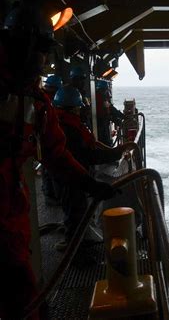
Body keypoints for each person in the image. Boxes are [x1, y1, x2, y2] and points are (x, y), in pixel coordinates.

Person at [0, 0, 114, 319]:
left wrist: (90, 183)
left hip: (13, 213)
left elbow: (57, 154)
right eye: (39, 51)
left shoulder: (37, 103)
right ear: (19, 46)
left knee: (25, 294)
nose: (43, 60)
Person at [52, 85, 135, 250]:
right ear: (74, 107)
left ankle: (80, 240)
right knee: (74, 211)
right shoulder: (68, 130)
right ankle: (76, 252)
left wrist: (112, 152)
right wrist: (114, 154)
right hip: (71, 177)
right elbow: (87, 155)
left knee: (77, 209)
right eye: (79, 107)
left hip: (72, 174)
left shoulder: (64, 124)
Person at [41, 75, 63, 202]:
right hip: (46, 139)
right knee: (49, 168)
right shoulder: (45, 100)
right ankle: (50, 195)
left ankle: (51, 193)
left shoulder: (45, 98)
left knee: (48, 168)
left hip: (46, 138)